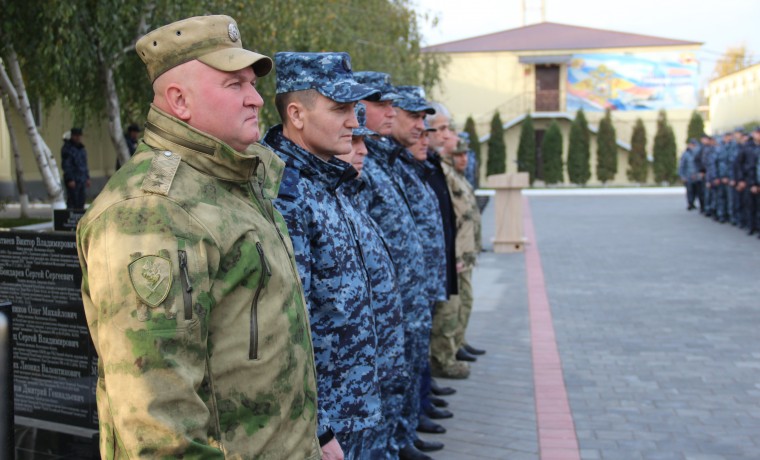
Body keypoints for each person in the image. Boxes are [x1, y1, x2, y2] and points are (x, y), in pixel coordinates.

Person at [76, 15, 320, 459]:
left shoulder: (234, 183)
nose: (256, 99)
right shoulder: (152, 212)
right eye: (234, 85)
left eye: (252, 84)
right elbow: (157, 422)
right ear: (179, 100)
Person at [263, 51, 382, 460]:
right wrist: (319, 427)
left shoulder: (325, 180)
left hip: (354, 408)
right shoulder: (286, 194)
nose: (354, 121)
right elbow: (286, 328)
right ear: (296, 114)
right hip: (325, 425)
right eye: (340, 109)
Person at [357, 77, 439, 460]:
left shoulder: (386, 160)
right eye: (382, 104)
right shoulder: (361, 162)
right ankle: (395, 442)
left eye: (394, 104)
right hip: (389, 309)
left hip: (409, 297)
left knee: (403, 378)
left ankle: (401, 438)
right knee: (387, 389)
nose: (390, 112)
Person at [336, 103, 408, 459]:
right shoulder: (303, 196)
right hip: (340, 393)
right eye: (353, 140)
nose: (363, 150)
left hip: (369, 369)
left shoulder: (345, 192)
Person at [443, 137, 483, 366]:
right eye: (459, 154)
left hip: (466, 251)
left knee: (465, 302)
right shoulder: (448, 176)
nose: (464, 159)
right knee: (458, 304)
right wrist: (456, 253)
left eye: (465, 154)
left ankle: (459, 342)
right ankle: (450, 349)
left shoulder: (460, 177)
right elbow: (451, 218)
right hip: (458, 253)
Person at [61, 127, 90, 209]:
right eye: (76, 136)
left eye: (79, 136)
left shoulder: (81, 149)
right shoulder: (67, 148)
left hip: (82, 179)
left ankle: (80, 217)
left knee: (81, 202)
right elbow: (67, 165)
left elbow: (84, 164)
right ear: (72, 136)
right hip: (73, 180)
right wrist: (70, 179)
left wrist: (87, 177)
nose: (78, 138)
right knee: (72, 202)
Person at [678, 139, 702, 211]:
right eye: (691, 145)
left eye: (694, 145)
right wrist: (682, 176)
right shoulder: (686, 154)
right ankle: (690, 204)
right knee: (690, 191)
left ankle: (698, 204)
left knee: (698, 191)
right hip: (688, 176)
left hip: (697, 176)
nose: (693, 147)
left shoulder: (699, 153)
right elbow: (682, 166)